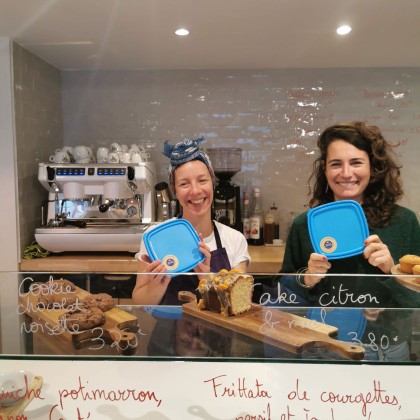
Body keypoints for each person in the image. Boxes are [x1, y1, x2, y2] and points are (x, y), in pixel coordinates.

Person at [277, 121, 420, 361]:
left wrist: (391, 271)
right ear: (325, 170)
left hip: (387, 352)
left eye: (356, 162)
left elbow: (416, 301)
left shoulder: (403, 222)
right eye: (336, 164)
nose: (346, 173)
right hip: (321, 350)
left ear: (373, 167)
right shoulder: (305, 225)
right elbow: (284, 295)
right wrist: (306, 278)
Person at [132, 137, 250, 305]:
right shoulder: (155, 238)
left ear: (212, 184)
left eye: (202, 180)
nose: (195, 191)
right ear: (175, 191)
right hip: (167, 330)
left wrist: (206, 278)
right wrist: (157, 285)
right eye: (184, 184)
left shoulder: (234, 239)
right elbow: (139, 303)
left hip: (218, 331)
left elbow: (241, 302)